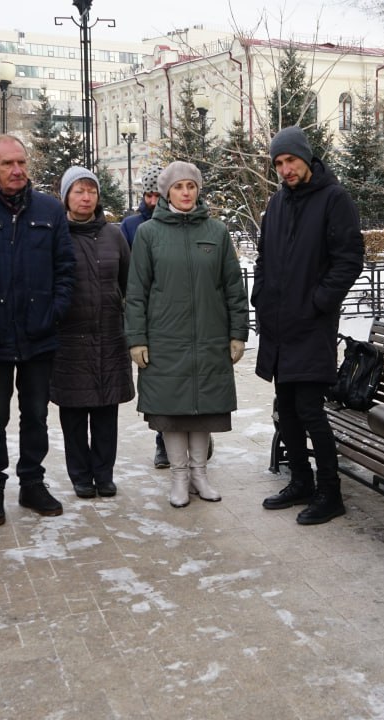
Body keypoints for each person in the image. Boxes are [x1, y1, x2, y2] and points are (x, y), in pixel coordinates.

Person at [0, 135, 74, 525]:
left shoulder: (50, 210)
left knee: (36, 414)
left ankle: (32, 483)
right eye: (8, 163)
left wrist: (54, 311)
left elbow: (65, 268)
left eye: (22, 162)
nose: (17, 170)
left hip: (39, 334)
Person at [254, 126, 364, 525]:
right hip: (279, 326)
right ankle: (300, 481)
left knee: (309, 410)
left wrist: (319, 302)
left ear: (306, 158)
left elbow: (349, 260)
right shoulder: (277, 204)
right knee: (286, 408)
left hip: (312, 326)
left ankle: (330, 492)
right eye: (279, 163)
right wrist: (261, 296)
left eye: (291, 160)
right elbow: (264, 257)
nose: (285, 169)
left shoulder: (334, 199)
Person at [125, 161, 248, 509]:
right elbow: (136, 292)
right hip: (165, 339)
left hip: (209, 337)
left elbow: (233, 288)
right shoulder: (149, 233)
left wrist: (237, 332)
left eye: (191, 186)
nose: (185, 192)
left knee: (203, 408)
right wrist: (137, 339)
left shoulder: (216, 232)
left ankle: (199, 475)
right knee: (173, 411)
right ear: (166, 192)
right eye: (178, 186)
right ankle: (179, 476)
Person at [49, 167, 134, 498]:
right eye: (79, 191)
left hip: (109, 335)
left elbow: (128, 283)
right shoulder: (55, 235)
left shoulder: (114, 235)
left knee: (106, 411)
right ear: (66, 196)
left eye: (92, 191)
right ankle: (80, 475)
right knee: (73, 412)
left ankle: (104, 473)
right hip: (69, 340)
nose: (86, 198)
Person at [119, 166, 173, 468]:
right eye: (148, 195)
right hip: (146, 316)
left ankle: (194, 431)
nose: (152, 201)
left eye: (157, 195)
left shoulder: (176, 222)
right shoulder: (131, 226)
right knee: (156, 384)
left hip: (173, 312)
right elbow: (127, 273)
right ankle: (163, 441)